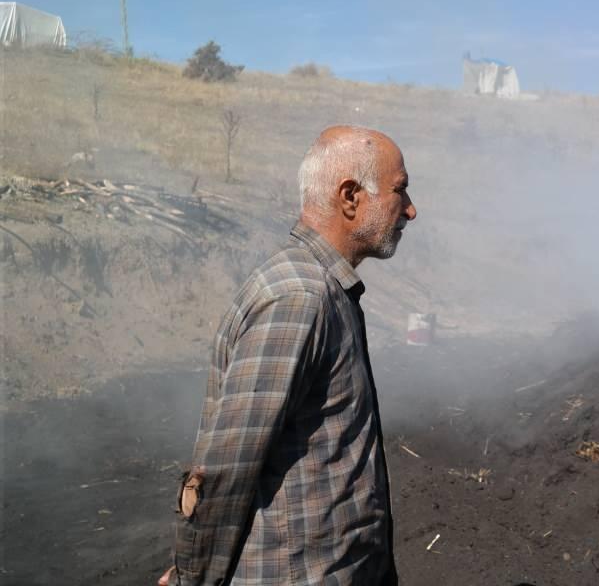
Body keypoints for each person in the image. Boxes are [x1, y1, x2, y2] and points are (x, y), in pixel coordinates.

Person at [158, 125, 417, 586]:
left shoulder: (326, 289)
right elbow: (226, 468)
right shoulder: (300, 297)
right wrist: (189, 579)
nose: (411, 210)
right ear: (351, 197)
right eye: (401, 191)